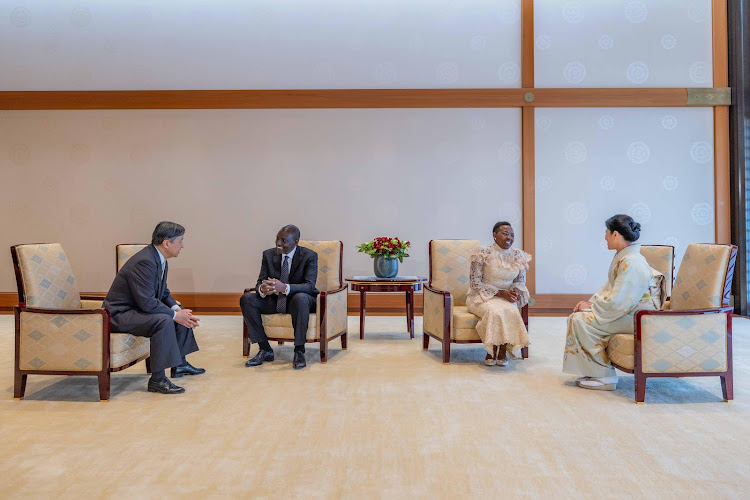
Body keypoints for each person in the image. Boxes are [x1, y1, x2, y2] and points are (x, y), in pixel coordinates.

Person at [104, 221, 204, 395]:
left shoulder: (159, 258)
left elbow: (163, 292)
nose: (182, 246)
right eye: (180, 241)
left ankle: (179, 364)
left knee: (180, 311)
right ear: (167, 243)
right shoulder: (145, 262)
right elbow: (147, 302)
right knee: (164, 320)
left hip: (136, 310)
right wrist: (174, 315)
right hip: (119, 314)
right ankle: (157, 380)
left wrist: (177, 309)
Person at [563, 214, 657, 391]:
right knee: (580, 315)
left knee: (580, 320)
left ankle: (605, 376)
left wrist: (592, 307)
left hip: (637, 317)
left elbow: (620, 301)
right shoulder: (624, 258)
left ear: (615, 234)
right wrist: (590, 304)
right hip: (626, 311)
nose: (604, 237)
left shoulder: (633, 263)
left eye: (606, 232)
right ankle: (595, 371)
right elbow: (611, 291)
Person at [240, 224, 318, 370]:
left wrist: (285, 287)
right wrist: (262, 289)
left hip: (300, 301)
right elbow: (259, 282)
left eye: (283, 240)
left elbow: (309, 286)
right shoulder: (268, 254)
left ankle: (299, 350)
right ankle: (265, 349)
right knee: (247, 299)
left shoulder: (309, 256)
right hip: (276, 300)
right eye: (277, 239)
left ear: (296, 241)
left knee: (300, 298)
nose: (278, 243)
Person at [466, 221, 531, 366]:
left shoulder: (518, 255)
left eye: (512, 235)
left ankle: (503, 349)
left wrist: (514, 290)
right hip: (481, 297)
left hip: (507, 297)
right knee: (495, 312)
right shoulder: (482, 253)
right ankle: (491, 349)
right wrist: (501, 293)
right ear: (494, 235)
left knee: (511, 311)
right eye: (505, 234)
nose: (509, 237)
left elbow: (520, 281)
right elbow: (475, 283)